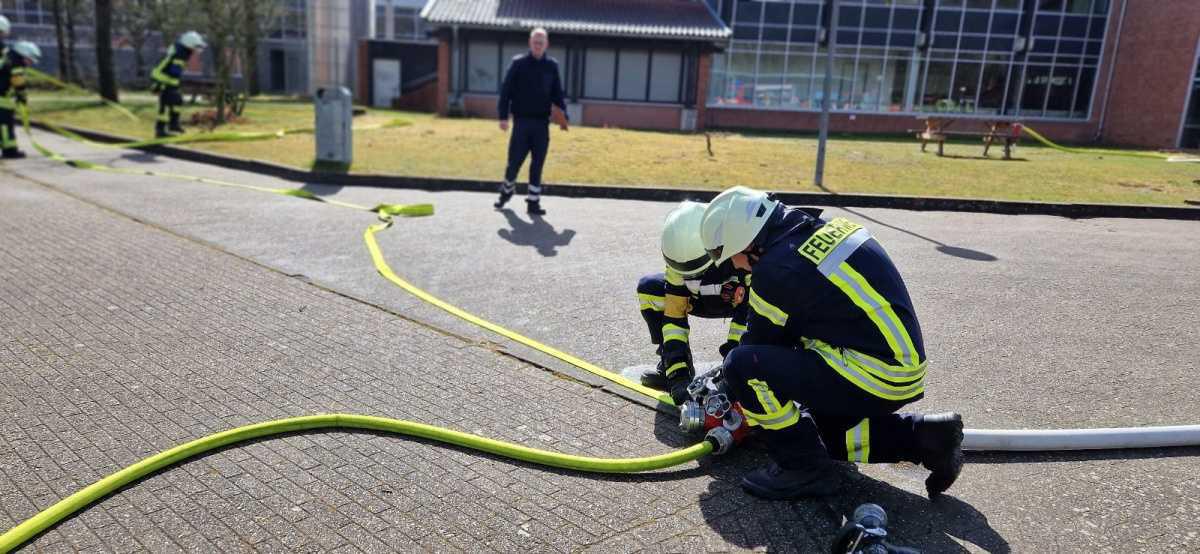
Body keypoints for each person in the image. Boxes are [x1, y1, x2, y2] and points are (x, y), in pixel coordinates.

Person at [699, 186, 963, 500]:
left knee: (741, 368)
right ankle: (928, 437)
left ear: (747, 241)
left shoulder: (777, 269)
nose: (736, 267)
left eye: (731, 258)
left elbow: (755, 347)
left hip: (870, 373)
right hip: (900, 368)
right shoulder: (829, 228)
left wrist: (726, 392)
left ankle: (802, 467)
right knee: (813, 431)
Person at [636, 201, 749, 401]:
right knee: (650, 290)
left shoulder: (740, 250)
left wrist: (732, 369)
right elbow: (674, 318)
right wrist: (677, 373)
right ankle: (672, 365)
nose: (691, 276)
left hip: (741, 305)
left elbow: (747, 317)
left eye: (698, 269)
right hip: (699, 300)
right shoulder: (679, 260)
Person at [494, 27, 568, 216]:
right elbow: (506, 92)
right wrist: (503, 116)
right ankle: (506, 192)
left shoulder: (552, 66)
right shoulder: (518, 63)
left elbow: (557, 94)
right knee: (514, 162)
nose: (538, 45)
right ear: (530, 43)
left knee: (537, 164)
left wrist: (564, 116)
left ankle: (533, 203)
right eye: (535, 42)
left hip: (542, 124)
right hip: (521, 122)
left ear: (546, 45)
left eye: (541, 42)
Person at [150, 31, 206, 138]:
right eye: (196, 46)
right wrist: (159, 86)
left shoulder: (182, 52)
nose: (196, 49)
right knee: (165, 106)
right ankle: (160, 131)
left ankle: (173, 124)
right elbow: (172, 73)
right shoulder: (179, 55)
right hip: (163, 81)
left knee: (177, 101)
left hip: (168, 82)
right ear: (190, 44)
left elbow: (175, 75)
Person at [0, 41, 41, 159]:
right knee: (5, 126)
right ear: (24, 54)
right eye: (30, 60)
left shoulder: (7, 59)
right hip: (2, 102)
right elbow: (19, 85)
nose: (30, 64)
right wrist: (22, 99)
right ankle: (10, 151)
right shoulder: (16, 65)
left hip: (3, 99)